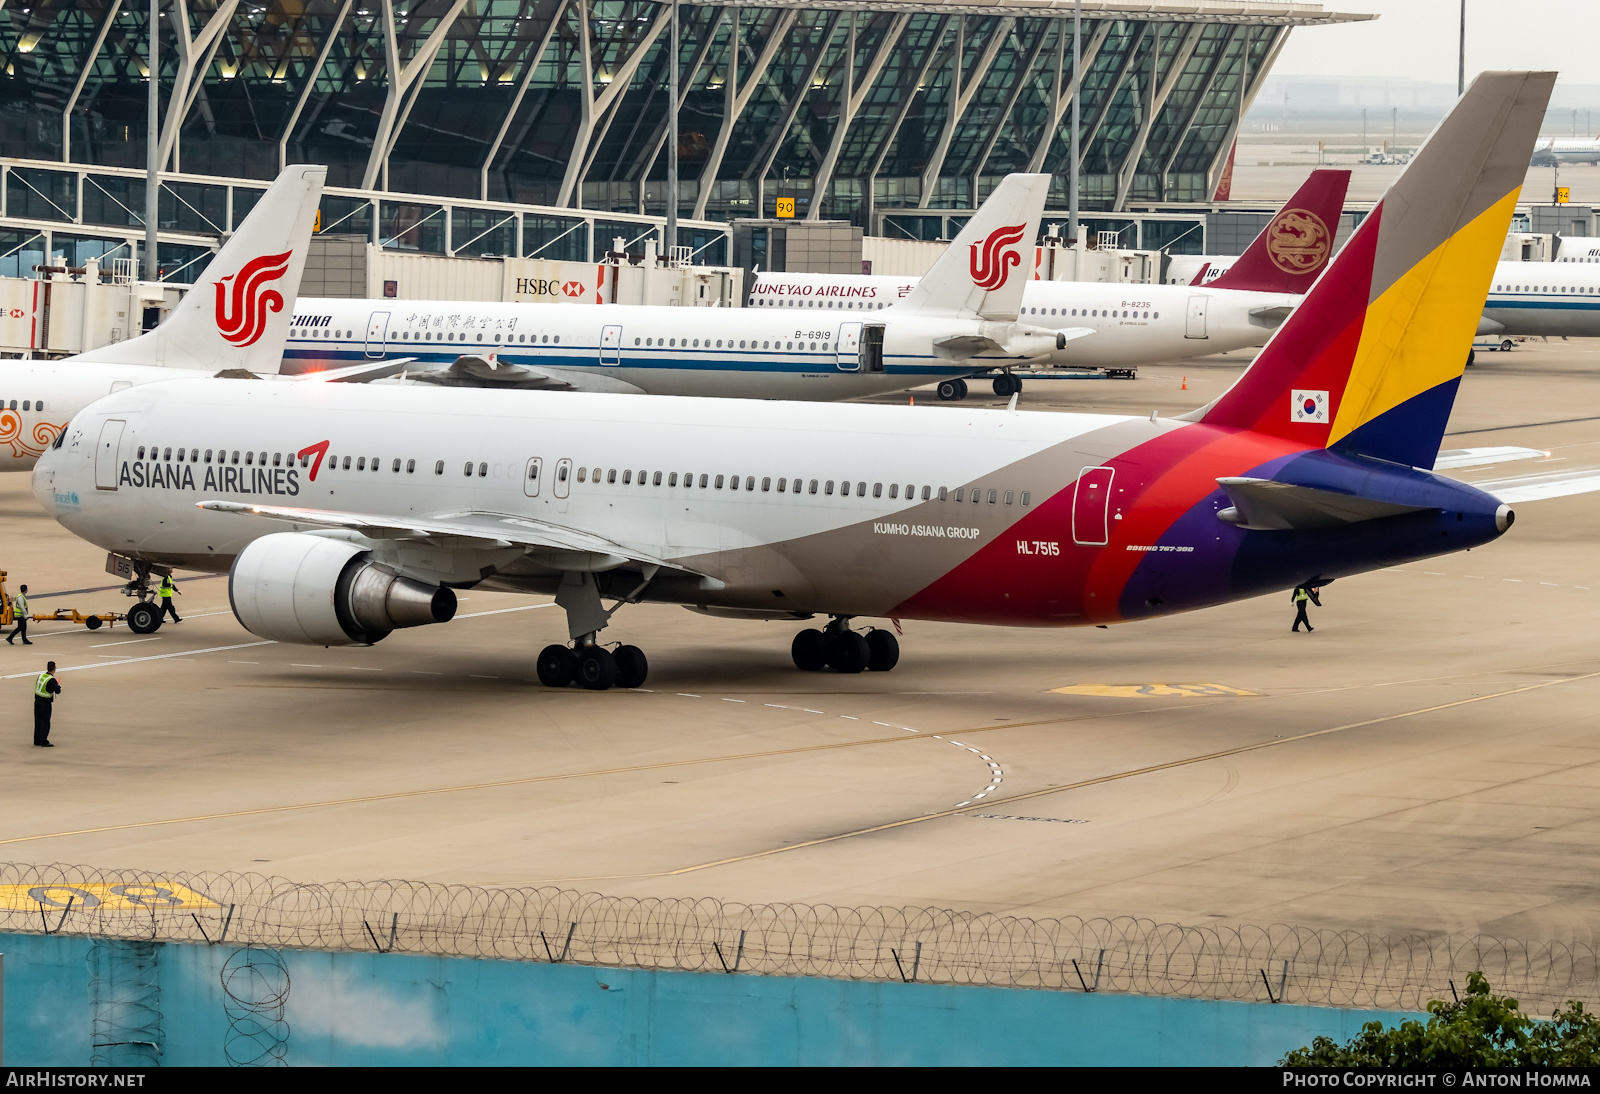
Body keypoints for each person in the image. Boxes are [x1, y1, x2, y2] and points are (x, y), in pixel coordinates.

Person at [34, 660, 60, 746]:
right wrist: (58, 686)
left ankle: (36, 740)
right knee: (45, 722)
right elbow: (57, 691)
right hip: (45, 703)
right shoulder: (51, 680)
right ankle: (43, 741)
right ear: (54, 669)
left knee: (38, 721)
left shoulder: (41, 675)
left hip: (37, 701)